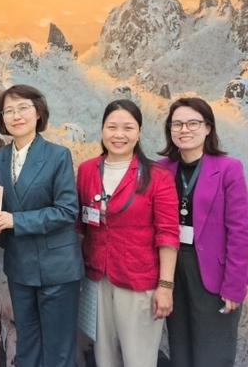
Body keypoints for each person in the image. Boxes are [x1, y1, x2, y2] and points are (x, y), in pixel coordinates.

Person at [0, 84, 83, 367]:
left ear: (38, 112)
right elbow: (3, 207)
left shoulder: (58, 155)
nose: (16, 116)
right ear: (2, 119)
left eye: (23, 108)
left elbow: (66, 211)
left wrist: (14, 220)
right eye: (9, 110)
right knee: (26, 345)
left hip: (57, 267)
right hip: (20, 265)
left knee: (59, 350)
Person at [76, 99, 179, 367]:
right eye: (112, 127)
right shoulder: (87, 170)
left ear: (139, 132)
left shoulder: (157, 175)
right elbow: (79, 224)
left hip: (139, 280)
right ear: (101, 130)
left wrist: (165, 287)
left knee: (139, 359)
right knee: (103, 356)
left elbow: (168, 234)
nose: (119, 134)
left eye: (128, 127)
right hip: (96, 277)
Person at [157, 97, 248, 367]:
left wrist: (234, 286)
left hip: (213, 273)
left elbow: (240, 231)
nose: (184, 130)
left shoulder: (228, 169)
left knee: (212, 354)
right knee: (180, 349)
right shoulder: (162, 169)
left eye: (193, 123)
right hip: (172, 268)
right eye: (177, 124)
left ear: (208, 127)